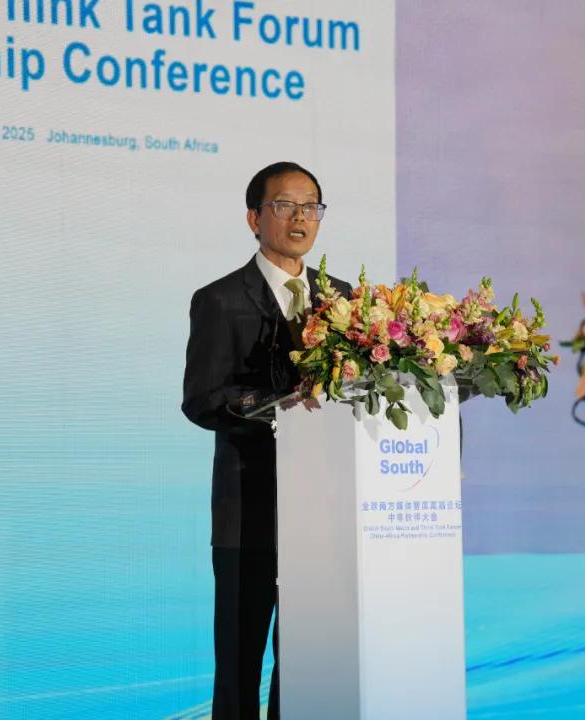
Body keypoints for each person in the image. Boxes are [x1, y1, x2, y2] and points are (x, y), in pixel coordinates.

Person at [181, 161, 352, 719]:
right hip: (250, 511)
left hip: (323, 516)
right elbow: (202, 398)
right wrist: (279, 406)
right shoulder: (220, 299)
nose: (300, 218)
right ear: (255, 218)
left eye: (311, 207)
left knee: (304, 659)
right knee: (240, 661)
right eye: (284, 205)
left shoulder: (344, 300)